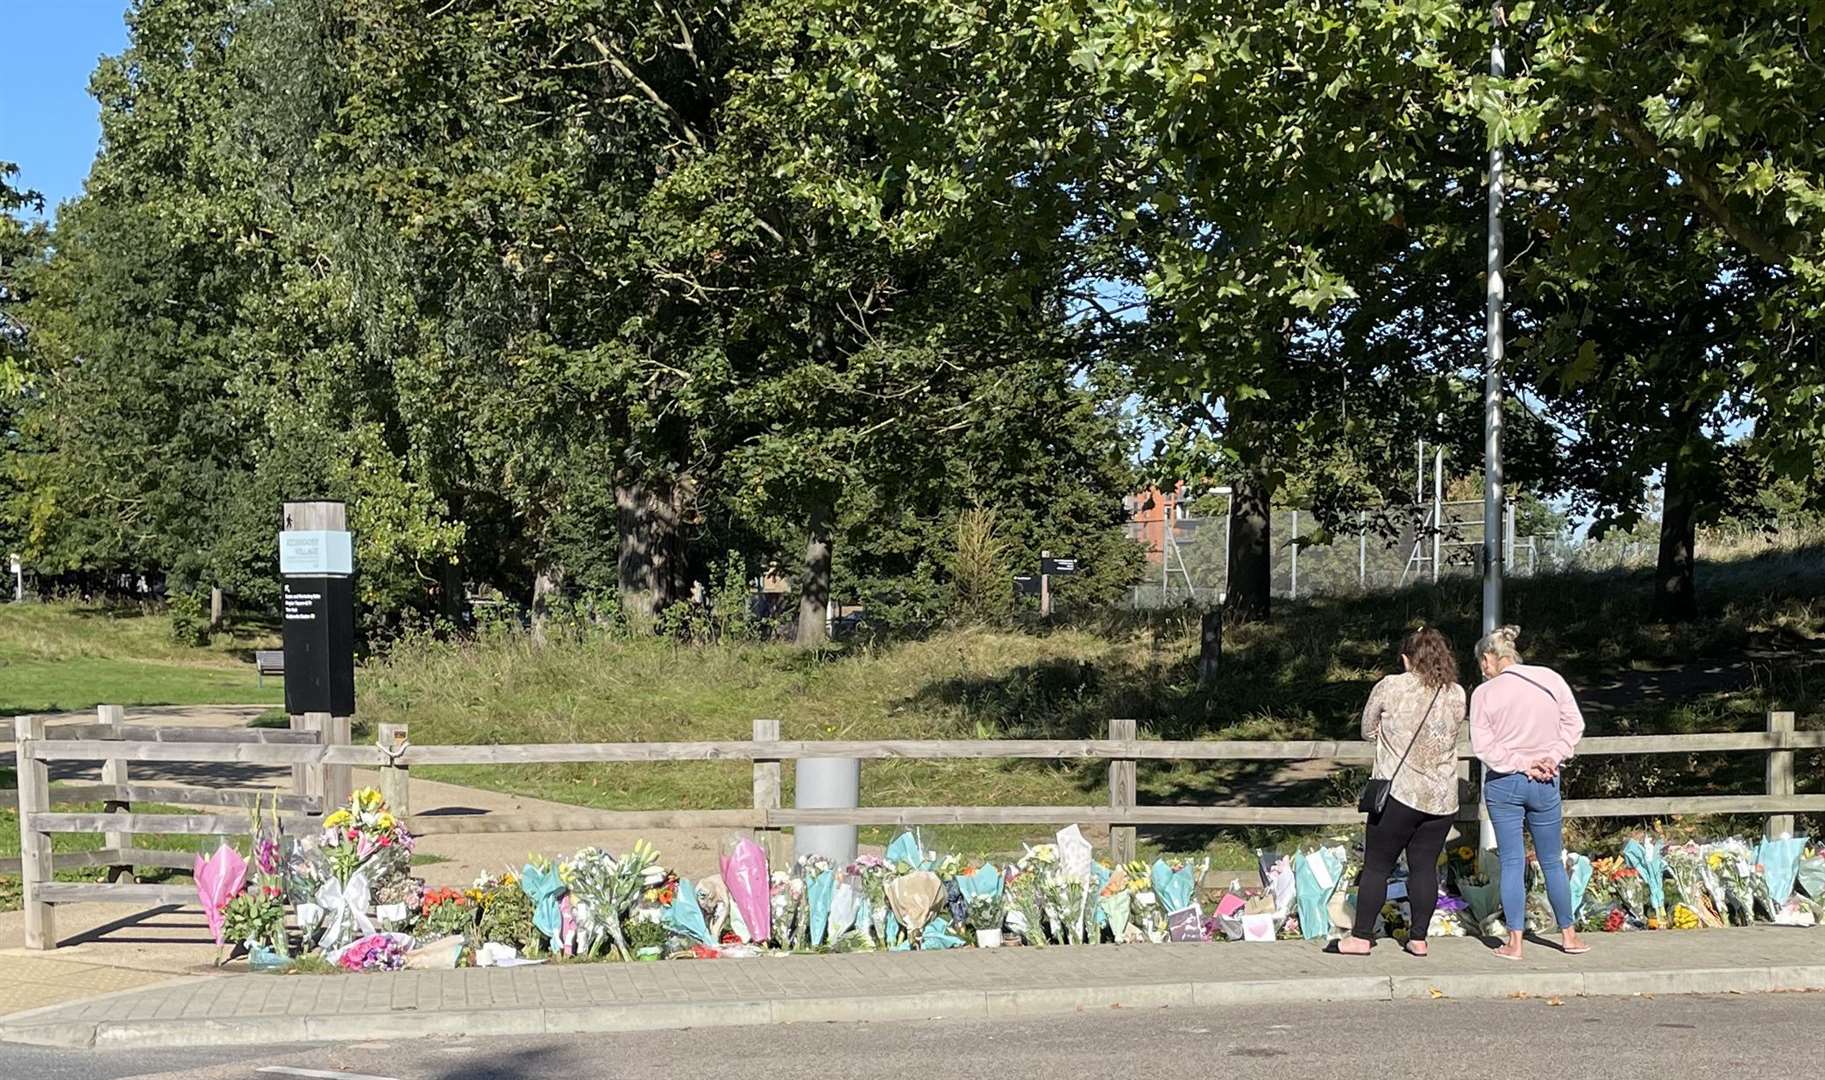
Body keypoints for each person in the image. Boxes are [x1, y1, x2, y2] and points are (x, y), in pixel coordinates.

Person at [1337, 625, 1466, 957]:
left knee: (1378, 866)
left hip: (1399, 792)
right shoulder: (1456, 693)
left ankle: (1361, 937)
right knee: (1424, 868)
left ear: (1407, 658)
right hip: (1441, 797)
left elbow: (1367, 729)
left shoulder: (1391, 686)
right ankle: (1419, 938)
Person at [1470, 624, 1590, 959]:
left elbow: (1483, 745)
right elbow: (1574, 724)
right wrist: (1552, 757)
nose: (1483, 668)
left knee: (1511, 861)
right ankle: (1569, 936)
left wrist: (1521, 762)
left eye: (1483, 661)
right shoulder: (1550, 679)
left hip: (1505, 782)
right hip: (1546, 780)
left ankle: (1515, 942)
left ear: (1494, 656)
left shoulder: (1484, 694)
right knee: (1551, 860)